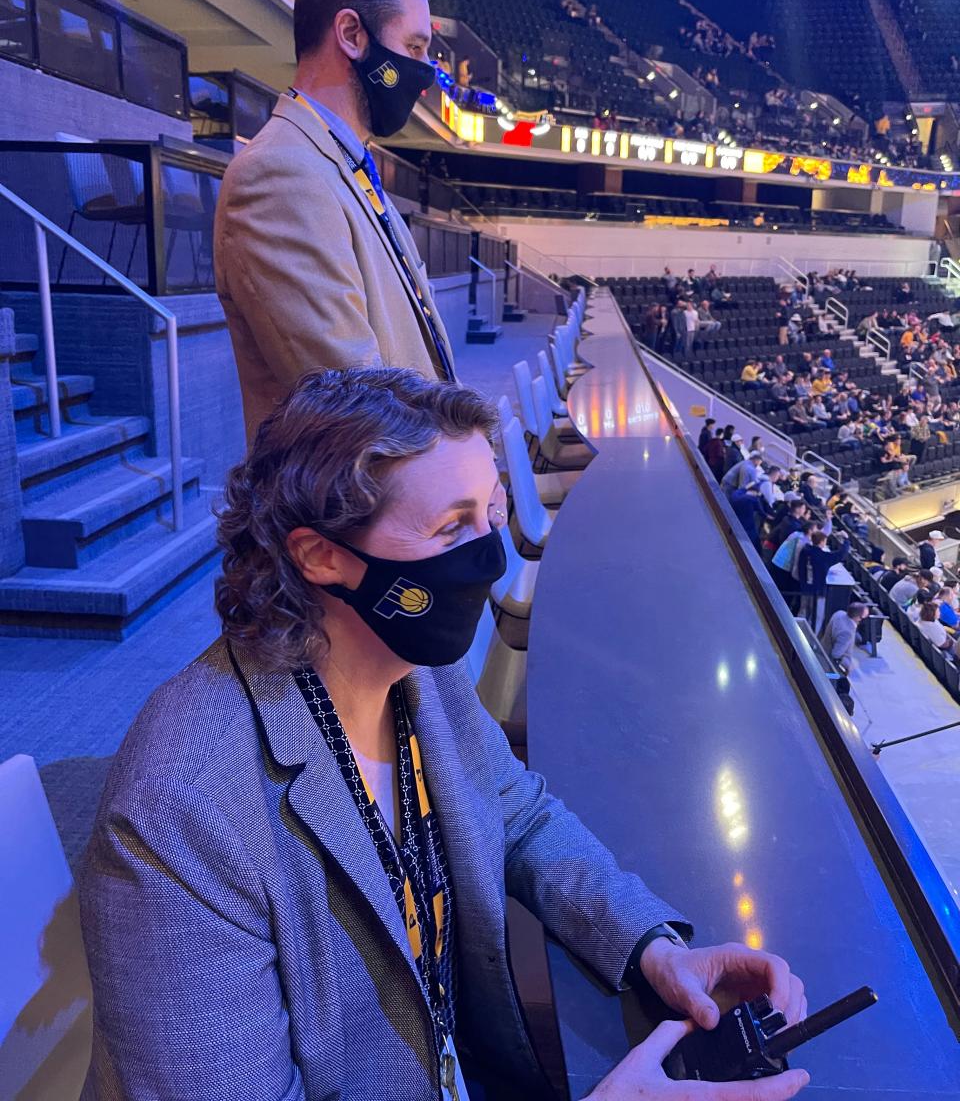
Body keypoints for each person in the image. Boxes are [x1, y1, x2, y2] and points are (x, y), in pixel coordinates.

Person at [79, 368, 809, 1101]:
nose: (489, 554)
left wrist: (650, 947)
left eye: (492, 511)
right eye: (452, 526)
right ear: (320, 555)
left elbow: (519, 816)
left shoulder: (413, 669)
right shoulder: (178, 813)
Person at [214, 0, 454, 443]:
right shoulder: (281, 173)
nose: (425, 74)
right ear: (351, 35)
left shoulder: (342, 162)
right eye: (414, 48)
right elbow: (357, 404)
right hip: (362, 514)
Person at [796, 530, 848, 631]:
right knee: (817, 617)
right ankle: (809, 641)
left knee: (803, 612)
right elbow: (841, 554)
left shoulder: (805, 551)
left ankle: (795, 633)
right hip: (818, 591)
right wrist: (846, 540)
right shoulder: (823, 556)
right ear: (822, 542)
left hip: (804, 587)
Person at [822, 602, 869, 674]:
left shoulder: (839, 613)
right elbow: (836, 655)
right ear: (857, 618)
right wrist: (849, 666)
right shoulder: (847, 633)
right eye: (862, 618)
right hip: (828, 662)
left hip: (824, 647)